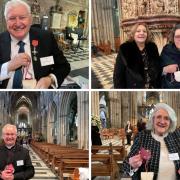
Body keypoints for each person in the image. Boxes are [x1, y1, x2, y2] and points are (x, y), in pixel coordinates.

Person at [0, 0, 70, 89]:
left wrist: (49, 79)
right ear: (6, 21)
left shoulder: (46, 38)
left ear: (30, 19)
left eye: (22, 17)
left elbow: (64, 66)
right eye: (12, 18)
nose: (17, 23)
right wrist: (8, 66)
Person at [122, 103, 180, 180]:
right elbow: (125, 166)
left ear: (170, 122)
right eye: (159, 117)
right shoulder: (142, 136)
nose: (162, 122)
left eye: (166, 118)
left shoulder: (176, 135)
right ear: (153, 119)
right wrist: (131, 165)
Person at [113, 23, 161, 89]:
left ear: (147, 34)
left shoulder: (152, 47)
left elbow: (157, 69)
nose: (142, 33)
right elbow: (118, 75)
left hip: (152, 88)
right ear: (133, 34)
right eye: (138, 31)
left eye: (144, 31)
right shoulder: (125, 49)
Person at [161, 24, 180, 88]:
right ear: (173, 38)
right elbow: (156, 70)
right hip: (169, 87)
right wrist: (165, 69)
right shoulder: (167, 50)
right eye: (177, 37)